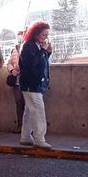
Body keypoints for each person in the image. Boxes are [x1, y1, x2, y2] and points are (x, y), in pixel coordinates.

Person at [18, 21, 52, 149]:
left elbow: (41, 62)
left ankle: (26, 136)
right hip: (31, 83)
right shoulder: (28, 46)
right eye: (44, 35)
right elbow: (32, 64)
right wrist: (43, 51)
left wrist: (47, 52)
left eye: (47, 35)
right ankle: (39, 138)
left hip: (33, 83)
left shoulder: (35, 45)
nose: (46, 38)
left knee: (29, 110)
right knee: (38, 111)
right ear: (36, 34)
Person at [6, 31, 26, 133]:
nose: (19, 38)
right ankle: (20, 125)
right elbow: (9, 62)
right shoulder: (14, 49)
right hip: (17, 82)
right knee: (18, 104)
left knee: (27, 104)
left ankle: (27, 127)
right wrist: (12, 70)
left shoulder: (27, 48)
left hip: (26, 81)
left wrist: (20, 68)